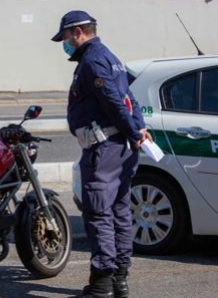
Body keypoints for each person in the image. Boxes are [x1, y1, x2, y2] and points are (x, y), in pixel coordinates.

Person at [51, 11, 151, 298]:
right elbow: (129, 97)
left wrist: (134, 132)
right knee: (119, 211)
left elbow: (111, 100)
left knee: (98, 214)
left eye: (66, 37)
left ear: (78, 32)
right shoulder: (111, 57)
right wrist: (138, 129)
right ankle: (120, 279)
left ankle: (102, 284)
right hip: (121, 148)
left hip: (104, 149)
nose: (65, 43)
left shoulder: (92, 60)